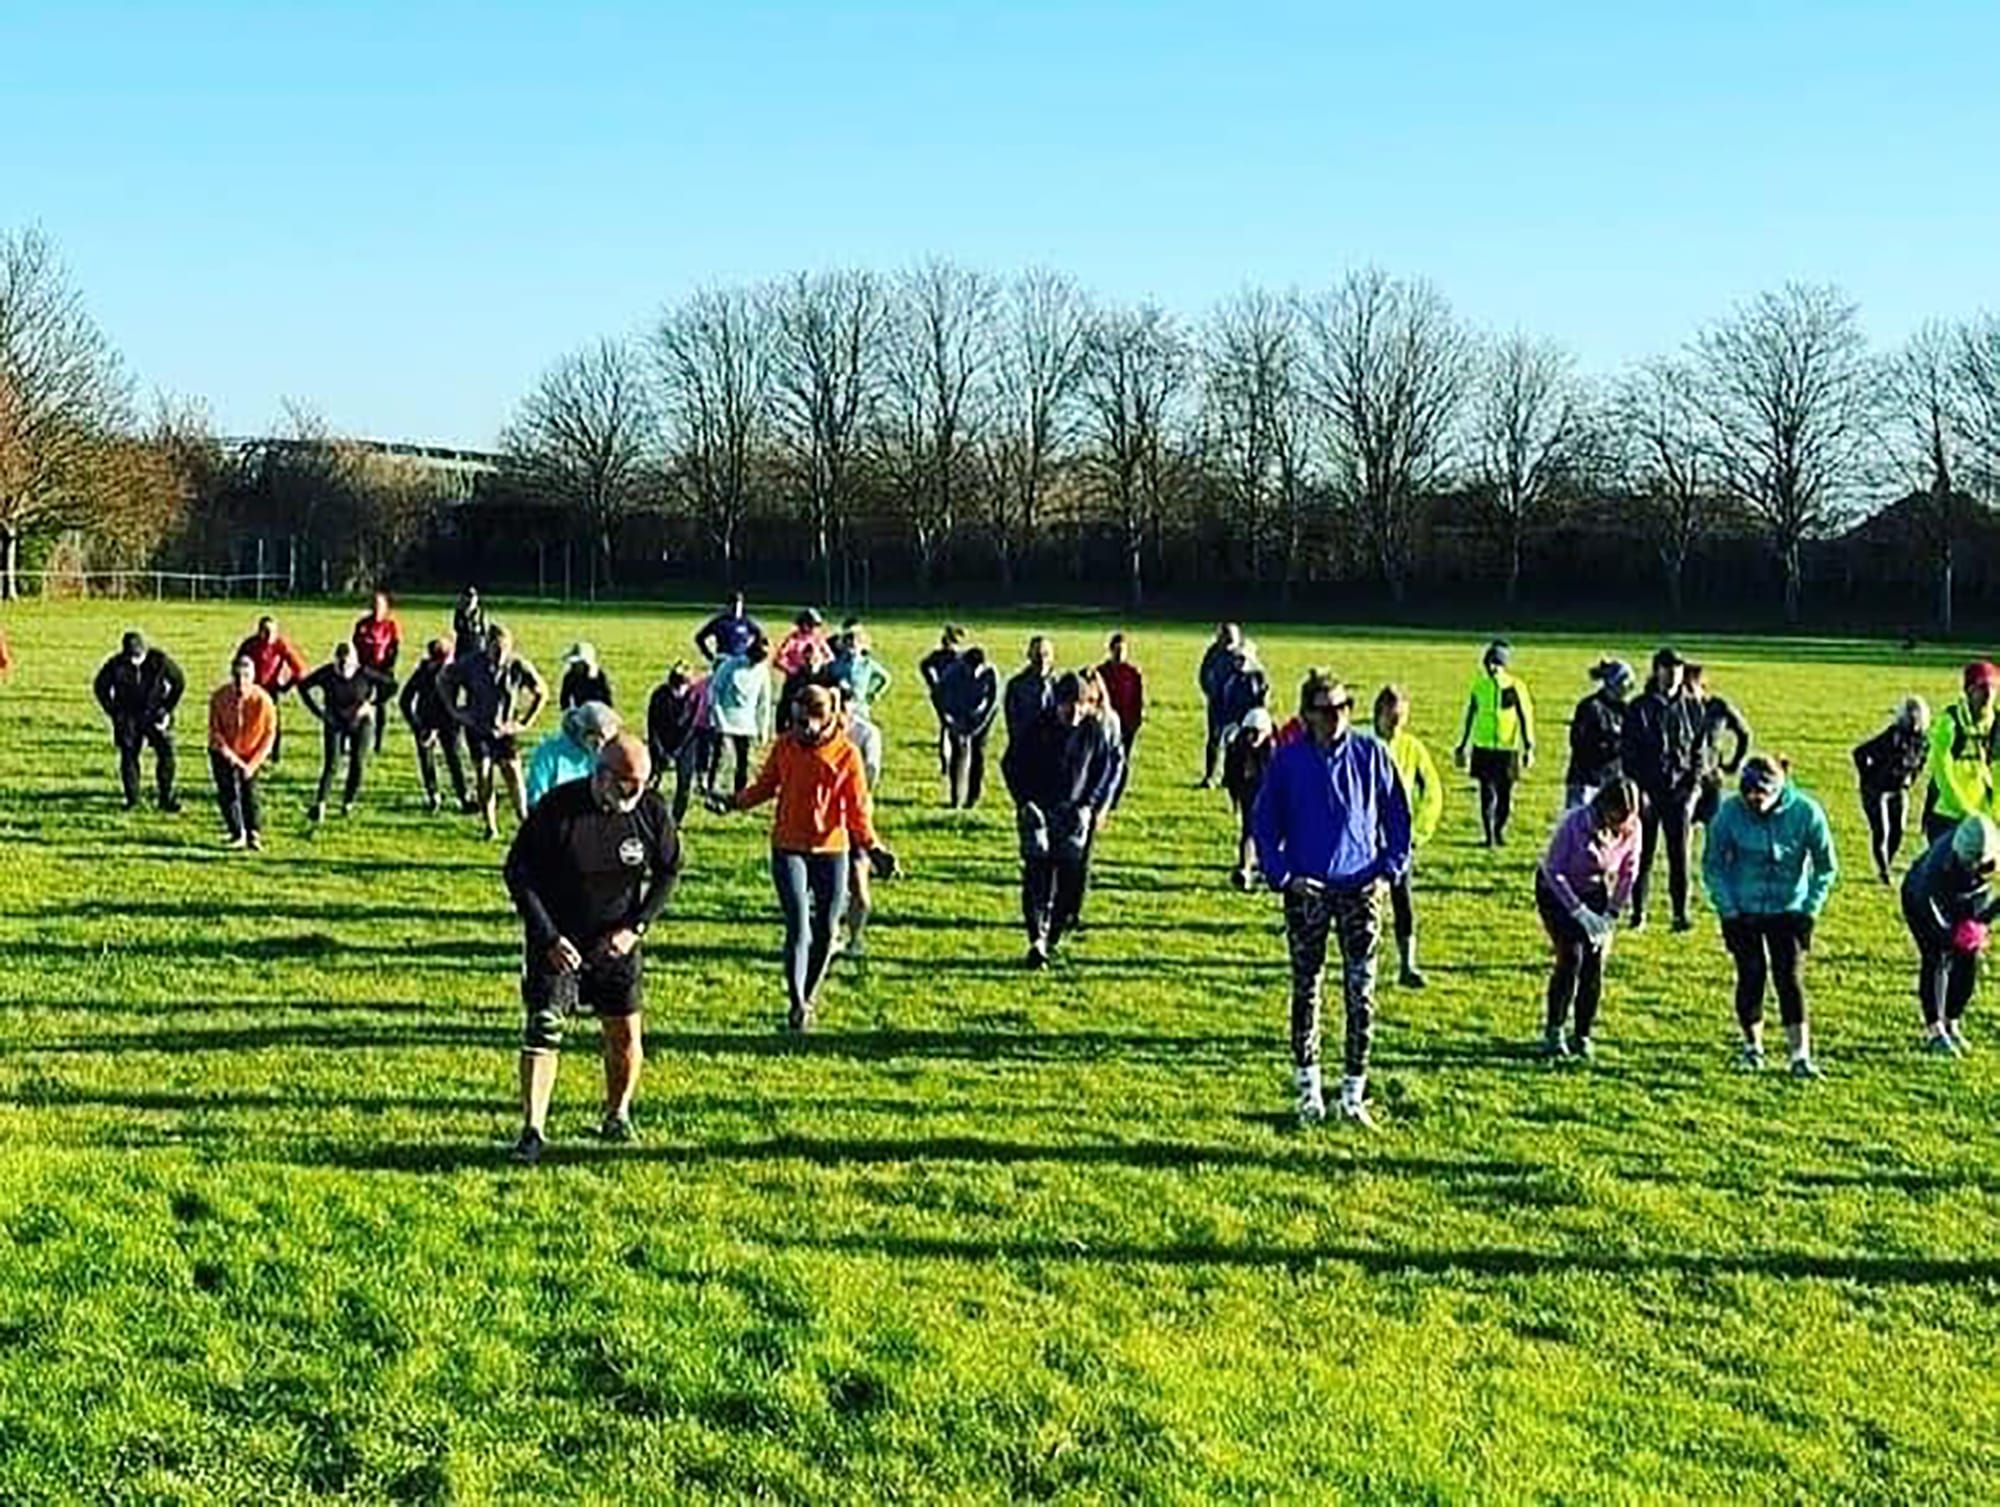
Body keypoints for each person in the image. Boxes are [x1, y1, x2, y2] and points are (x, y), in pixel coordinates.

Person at [504, 734, 682, 1165]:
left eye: (642, 785)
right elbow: (517, 873)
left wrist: (635, 928)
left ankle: (617, 1114)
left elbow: (669, 870)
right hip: (558, 942)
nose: (634, 795)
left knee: (624, 1033)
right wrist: (548, 937)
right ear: (601, 775)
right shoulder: (557, 809)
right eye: (626, 785)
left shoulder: (651, 811)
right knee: (544, 1029)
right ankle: (533, 1129)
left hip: (616, 944)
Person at [1252, 670, 1412, 1129]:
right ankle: (1309, 1093)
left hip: (1361, 891)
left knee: (1361, 994)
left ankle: (1353, 1096)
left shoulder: (1371, 755)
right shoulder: (1287, 762)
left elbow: (1398, 816)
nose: (1337, 716)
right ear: (1306, 715)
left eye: (1344, 707)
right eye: (1326, 710)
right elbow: (1265, 824)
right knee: (1307, 989)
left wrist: (1389, 871)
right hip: (1308, 893)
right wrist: (1283, 877)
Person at [713, 684, 883, 1030]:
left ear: (827, 719)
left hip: (831, 850)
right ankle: (796, 1002)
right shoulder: (786, 746)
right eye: (795, 721)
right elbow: (766, 786)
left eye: (806, 723)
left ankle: (810, 995)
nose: (800, 729)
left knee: (826, 928)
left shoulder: (846, 754)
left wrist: (874, 847)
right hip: (788, 846)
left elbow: (857, 810)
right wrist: (734, 802)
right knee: (798, 925)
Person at [1703, 756, 1837, 1076]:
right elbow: (1713, 866)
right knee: (1751, 975)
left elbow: (1825, 867)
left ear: (1778, 790)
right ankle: (1753, 1048)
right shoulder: (1729, 813)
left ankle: (1800, 1055)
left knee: (1789, 977)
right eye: (1748, 795)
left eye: (1761, 795)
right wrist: (1728, 911)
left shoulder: (1806, 812)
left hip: (1789, 909)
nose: (1755, 802)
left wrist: (1809, 911)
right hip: (1743, 909)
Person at [1002, 672, 1123, 969]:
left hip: (1074, 814)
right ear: (1057, 703)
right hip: (1039, 812)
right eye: (1069, 705)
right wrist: (1024, 802)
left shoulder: (1093, 730)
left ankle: (1054, 934)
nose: (1075, 712)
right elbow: (1010, 764)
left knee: (1069, 877)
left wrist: (1090, 804)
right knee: (1037, 874)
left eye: (1081, 705)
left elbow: (1103, 768)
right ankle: (1036, 939)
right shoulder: (1036, 727)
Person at [1535, 778, 1641, 1060]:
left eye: (1627, 818)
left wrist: (1611, 914)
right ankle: (1554, 1030)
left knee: (1594, 960)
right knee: (1571, 957)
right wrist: (1578, 911)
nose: (1621, 825)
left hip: (1594, 889)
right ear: (1604, 807)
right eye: (1617, 816)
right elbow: (1553, 870)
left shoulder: (1632, 828)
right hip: (1556, 891)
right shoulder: (1574, 823)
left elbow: (1628, 873)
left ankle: (1582, 1034)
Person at [1901, 813, 2000, 1056]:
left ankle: (1952, 1022)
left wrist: (1981, 926)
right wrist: (1951, 936)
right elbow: (1930, 911)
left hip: (1970, 900)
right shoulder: (1936, 867)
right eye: (1969, 863)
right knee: (1936, 957)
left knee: (1968, 960)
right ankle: (1935, 1032)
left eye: (1982, 865)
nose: (1975, 868)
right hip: (1921, 901)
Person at [1620, 646, 1703, 931]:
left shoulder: (1693, 708)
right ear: (1656, 671)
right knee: (1641, 856)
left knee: (1680, 856)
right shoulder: (1639, 708)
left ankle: (1680, 914)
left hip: (1679, 792)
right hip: (1647, 792)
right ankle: (1638, 913)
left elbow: (1699, 752)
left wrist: (1692, 789)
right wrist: (1638, 792)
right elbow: (1628, 753)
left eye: (1677, 670)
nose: (1673, 675)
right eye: (1667, 670)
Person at [444, 623, 548, 840]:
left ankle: (524, 820)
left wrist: (525, 722)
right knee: (484, 773)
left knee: (513, 772)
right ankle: (490, 826)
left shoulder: (518, 665)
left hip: (504, 728)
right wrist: (455, 710)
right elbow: (444, 679)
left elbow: (541, 692)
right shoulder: (471, 663)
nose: (500, 654)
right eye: (496, 649)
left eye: (504, 649)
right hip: (478, 727)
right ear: (487, 646)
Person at [1370, 686, 1444, 989]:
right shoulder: (1362, 743)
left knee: (1403, 901)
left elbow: (1433, 791)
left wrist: (1418, 833)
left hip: (1399, 841)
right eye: (1392, 718)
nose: (1396, 725)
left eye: (1401, 718)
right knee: (1365, 905)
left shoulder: (1412, 748)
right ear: (1378, 714)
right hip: (1365, 840)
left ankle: (1407, 965)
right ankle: (1364, 963)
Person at [298, 642, 393, 821]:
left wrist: (372, 703)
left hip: (361, 722)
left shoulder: (364, 672)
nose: (344, 669)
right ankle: (321, 803)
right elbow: (303, 686)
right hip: (334, 722)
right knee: (331, 764)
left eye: (348, 664)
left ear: (354, 661)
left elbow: (391, 685)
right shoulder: (327, 673)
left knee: (357, 762)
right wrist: (319, 712)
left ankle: (348, 802)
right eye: (340, 664)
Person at [1453, 639, 1535, 846]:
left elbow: (1524, 716)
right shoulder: (1479, 687)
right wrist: (1463, 745)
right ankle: (1488, 835)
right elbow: (1470, 715)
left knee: (1505, 797)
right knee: (1486, 793)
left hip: (1507, 749)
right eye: (1488, 663)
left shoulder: (1514, 687)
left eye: (1496, 663)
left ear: (1504, 665)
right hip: (1483, 747)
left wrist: (1529, 746)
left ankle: (1499, 829)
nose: (1491, 667)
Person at [92, 630, 185, 812]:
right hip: (128, 717)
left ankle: (166, 797)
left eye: (138, 657)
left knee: (166, 753)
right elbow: (100, 687)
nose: (135, 661)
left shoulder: (159, 661)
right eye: (131, 657)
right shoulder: (115, 665)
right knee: (129, 756)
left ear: (145, 650)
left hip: (155, 714)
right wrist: (114, 712)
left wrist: (167, 710)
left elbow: (179, 682)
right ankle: (132, 800)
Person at [1853, 696, 1931, 883]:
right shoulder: (1892, 736)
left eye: (1917, 716)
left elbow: (1920, 763)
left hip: (1898, 789)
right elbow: (1860, 753)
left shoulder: (1923, 741)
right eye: (1911, 716)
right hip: (1876, 790)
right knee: (1882, 831)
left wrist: (1911, 779)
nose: (1914, 721)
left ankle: (1887, 861)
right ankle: (1883, 871)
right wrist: (1867, 776)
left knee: (1898, 830)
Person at [1922, 661, 1999, 844]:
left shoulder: (1997, 726)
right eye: (1981, 687)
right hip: (1947, 816)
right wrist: (1965, 812)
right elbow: (1942, 772)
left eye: (1993, 687)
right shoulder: (1949, 722)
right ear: (1968, 691)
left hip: (1985, 818)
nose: (1988, 694)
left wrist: (1996, 813)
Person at [207, 652, 277, 850]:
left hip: (251, 752)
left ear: (253, 677)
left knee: (250, 791)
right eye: (237, 676)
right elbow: (215, 732)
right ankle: (236, 832)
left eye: (245, 676)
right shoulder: (219, 698)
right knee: (227, 791)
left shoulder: (263, 701)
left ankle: (254, 833)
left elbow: (269, 736)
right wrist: (232, 758)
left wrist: (252, 765)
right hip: (224, 751)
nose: (241, 682)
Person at [400, 638, 473, 815]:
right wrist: (417, 724)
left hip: (445, 721)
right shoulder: (428, 673)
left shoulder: (451, 672)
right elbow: (405, 699)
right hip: (429, 721)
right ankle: (437, 795)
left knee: (453, 759)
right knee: (433, 761)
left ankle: (459, 795)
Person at [1684, 663, 1752, 827]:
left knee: (1715, 825)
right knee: (1684, 824)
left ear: (1702, 686)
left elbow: (1744, 733)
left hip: (1711, 776)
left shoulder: (1718, 707)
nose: (1687, 693)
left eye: (1691, 687)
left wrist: (1734, 763)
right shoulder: (1677, 709)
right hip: (1685, 777)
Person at [233, 615, 308, 764]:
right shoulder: (249, 645)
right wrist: (241, 683)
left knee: (272, 722)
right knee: (249, 720)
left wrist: (286, 686)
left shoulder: (281, 645)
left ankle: (274, 755)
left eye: (272, 632)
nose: (269, 636)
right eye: (265, 631)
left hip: (270, 689)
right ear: (259, 631)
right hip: (251, 689)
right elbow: (237, 665)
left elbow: (300, 669)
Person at [707, 636, 773, 796]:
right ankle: (713, 791)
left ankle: (740, 794)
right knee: (721, 760)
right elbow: (714, 693)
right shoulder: (729, 666)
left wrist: (763, 728)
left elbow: (764, 701)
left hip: (747, 726)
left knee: (744, 762)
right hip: (725, 723)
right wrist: (720, 721)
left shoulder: (762, 671)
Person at [1564, 658, 1634, 809]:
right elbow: (1578, 743)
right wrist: (1611, 744)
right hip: (1585, 782)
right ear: (1613, 682)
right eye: (1626, 682)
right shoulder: (1590, 707)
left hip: (1612, 782)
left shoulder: (1626, 710)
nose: (1630, 687)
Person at [526, 702, 623, 809]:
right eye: (597, 739)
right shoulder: (549, 753)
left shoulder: (612, 753)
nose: (602, 746)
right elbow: (535, 798)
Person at [938, 645, 1001, 808]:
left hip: (982, 718)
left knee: (978, 753)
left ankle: (973, 797)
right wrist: (949, 721)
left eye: (977, 669)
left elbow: (993, 703)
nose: (974, 673)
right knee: (958, 754)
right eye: (970, 669)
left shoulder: (991, 674)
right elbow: (938, 696)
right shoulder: (952, 673)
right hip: (958, 716)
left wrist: (977, 728)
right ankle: (956, 798)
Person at [645, 661, 707, 823]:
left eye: (682, 686)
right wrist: (659, 750)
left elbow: (693, 726)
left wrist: (678, 752)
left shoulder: (696, 696)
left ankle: (676, 819)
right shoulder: (659, 695)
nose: (678, 691)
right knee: (652, 782)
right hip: (662, 743)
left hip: (686, 745)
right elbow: (652, 725)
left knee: (684, 785)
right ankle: (648, 813)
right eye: (676, 686)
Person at [1224, 709, 1278, 890]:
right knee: (1249, 829)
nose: (1252, 738)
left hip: (1270, 796)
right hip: (1247, 792)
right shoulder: (1236, 748)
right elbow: (1231, 775)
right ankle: (1245, 868)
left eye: (1257, 733)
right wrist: (1234, 798)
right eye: (1249, 732)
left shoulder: (1275, 750)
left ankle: (1267, 868)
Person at [1098, 632, 1145, 809]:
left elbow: (1138, 700)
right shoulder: (1102, 672)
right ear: (1110, 650)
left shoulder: (1133, 673)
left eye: (1123, 651)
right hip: (1106, 724)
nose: (1119, 654)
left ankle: (1115, 796)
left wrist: (1136, 721)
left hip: (1126, 725)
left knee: (1121, 761)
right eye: (1117, 650)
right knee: (1104, 760)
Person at [352, 589, 402, 754]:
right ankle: (356, 737)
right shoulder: (362, 625)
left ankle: (378, 742)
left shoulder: (390, 625)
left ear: (386, 607)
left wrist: (390, 666)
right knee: (359, 701)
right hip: (366, 669)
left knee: (381, 705)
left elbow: (395, 647)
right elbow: (356, 644)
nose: (376, 609)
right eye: (374, 605)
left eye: (380, 606)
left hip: (383, 670)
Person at [1198, 622, 1244, 787]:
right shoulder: (1213, 653)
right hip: (1216, 703)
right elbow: (1203, 673)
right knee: (1214, 740)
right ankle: (1210, 776)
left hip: (1235, 705)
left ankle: (1228, 777)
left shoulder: (1242, 655)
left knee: (1233, 742)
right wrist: (1210, 691)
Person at [919, 625, 966, 776]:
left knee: (945, 727)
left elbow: (924, 665)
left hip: (941, 694)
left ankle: (947, 760)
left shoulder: (938, 656)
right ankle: (950, 760)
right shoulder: (959, 657)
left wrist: (933, 683)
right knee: (950, 728)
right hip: (953, 696)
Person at [829, 625, 892, 723]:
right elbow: (830, 674)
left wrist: (875, 694)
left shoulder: (867, 664)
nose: (852, 648)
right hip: (840, 705)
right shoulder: (838, 662)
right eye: (849, 644)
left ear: (862, 646)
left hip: (860, 705)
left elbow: (886, 678)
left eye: (856, 644)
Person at [1003, 635, 1056, 747]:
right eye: (1037, 655)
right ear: (1029, 656)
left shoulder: (1059, 686)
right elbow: (1013, 724)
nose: (1042, 661)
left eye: (1046, 655)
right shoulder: (1016, 686)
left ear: (1052, 657)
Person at [695, 591, 763, 665]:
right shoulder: (720, 622)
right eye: (735, 603)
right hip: (725, 659)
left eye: (739, 603)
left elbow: (758, 634)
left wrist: (752, 650)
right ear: (729, 605)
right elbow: (699, 637)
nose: (737, 607)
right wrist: (709, 655)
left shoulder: (746, 622)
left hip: (742, 659)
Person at [558, 642, 614, 711]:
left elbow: (607, 701)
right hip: (579, 712)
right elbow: (564, 701)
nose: (574, 666)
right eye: (573, 664)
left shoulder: (599, 677)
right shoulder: (570, 677)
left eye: (578, 663)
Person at [452, 586, 489, 661]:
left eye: (472, 597)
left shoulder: (479, 610)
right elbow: (457, 626)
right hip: (463, 642)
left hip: (476, 642)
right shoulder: (460, 611)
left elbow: (485, 630)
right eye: (467, 596)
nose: (469, 599)